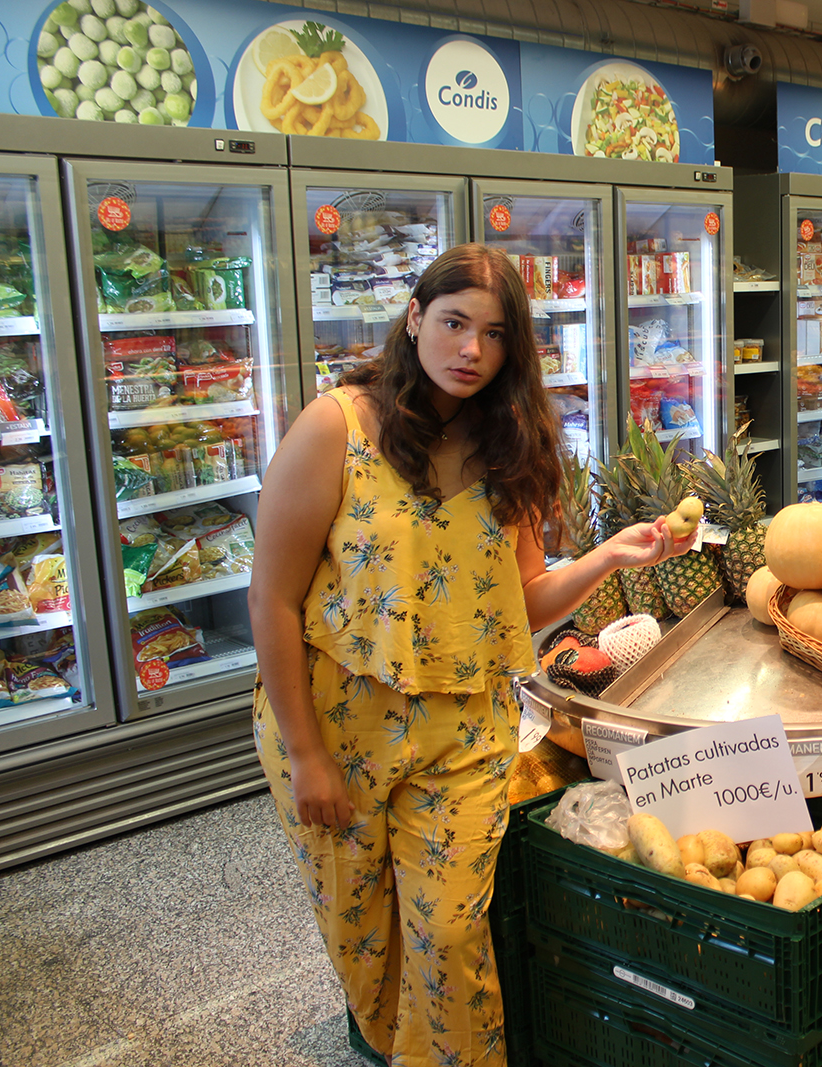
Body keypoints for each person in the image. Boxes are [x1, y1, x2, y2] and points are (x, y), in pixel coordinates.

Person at [248, 243, 692, 1066]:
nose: (471, 352)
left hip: (465, 731)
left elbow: (521, 600)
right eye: (453, 324)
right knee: (366, 940)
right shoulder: (334, 427)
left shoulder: (507, 448)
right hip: (336, 726)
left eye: (493, 335)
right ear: (414, 318)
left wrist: (607, 559)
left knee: (450, 937)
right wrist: (307, 755)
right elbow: (271, 598)